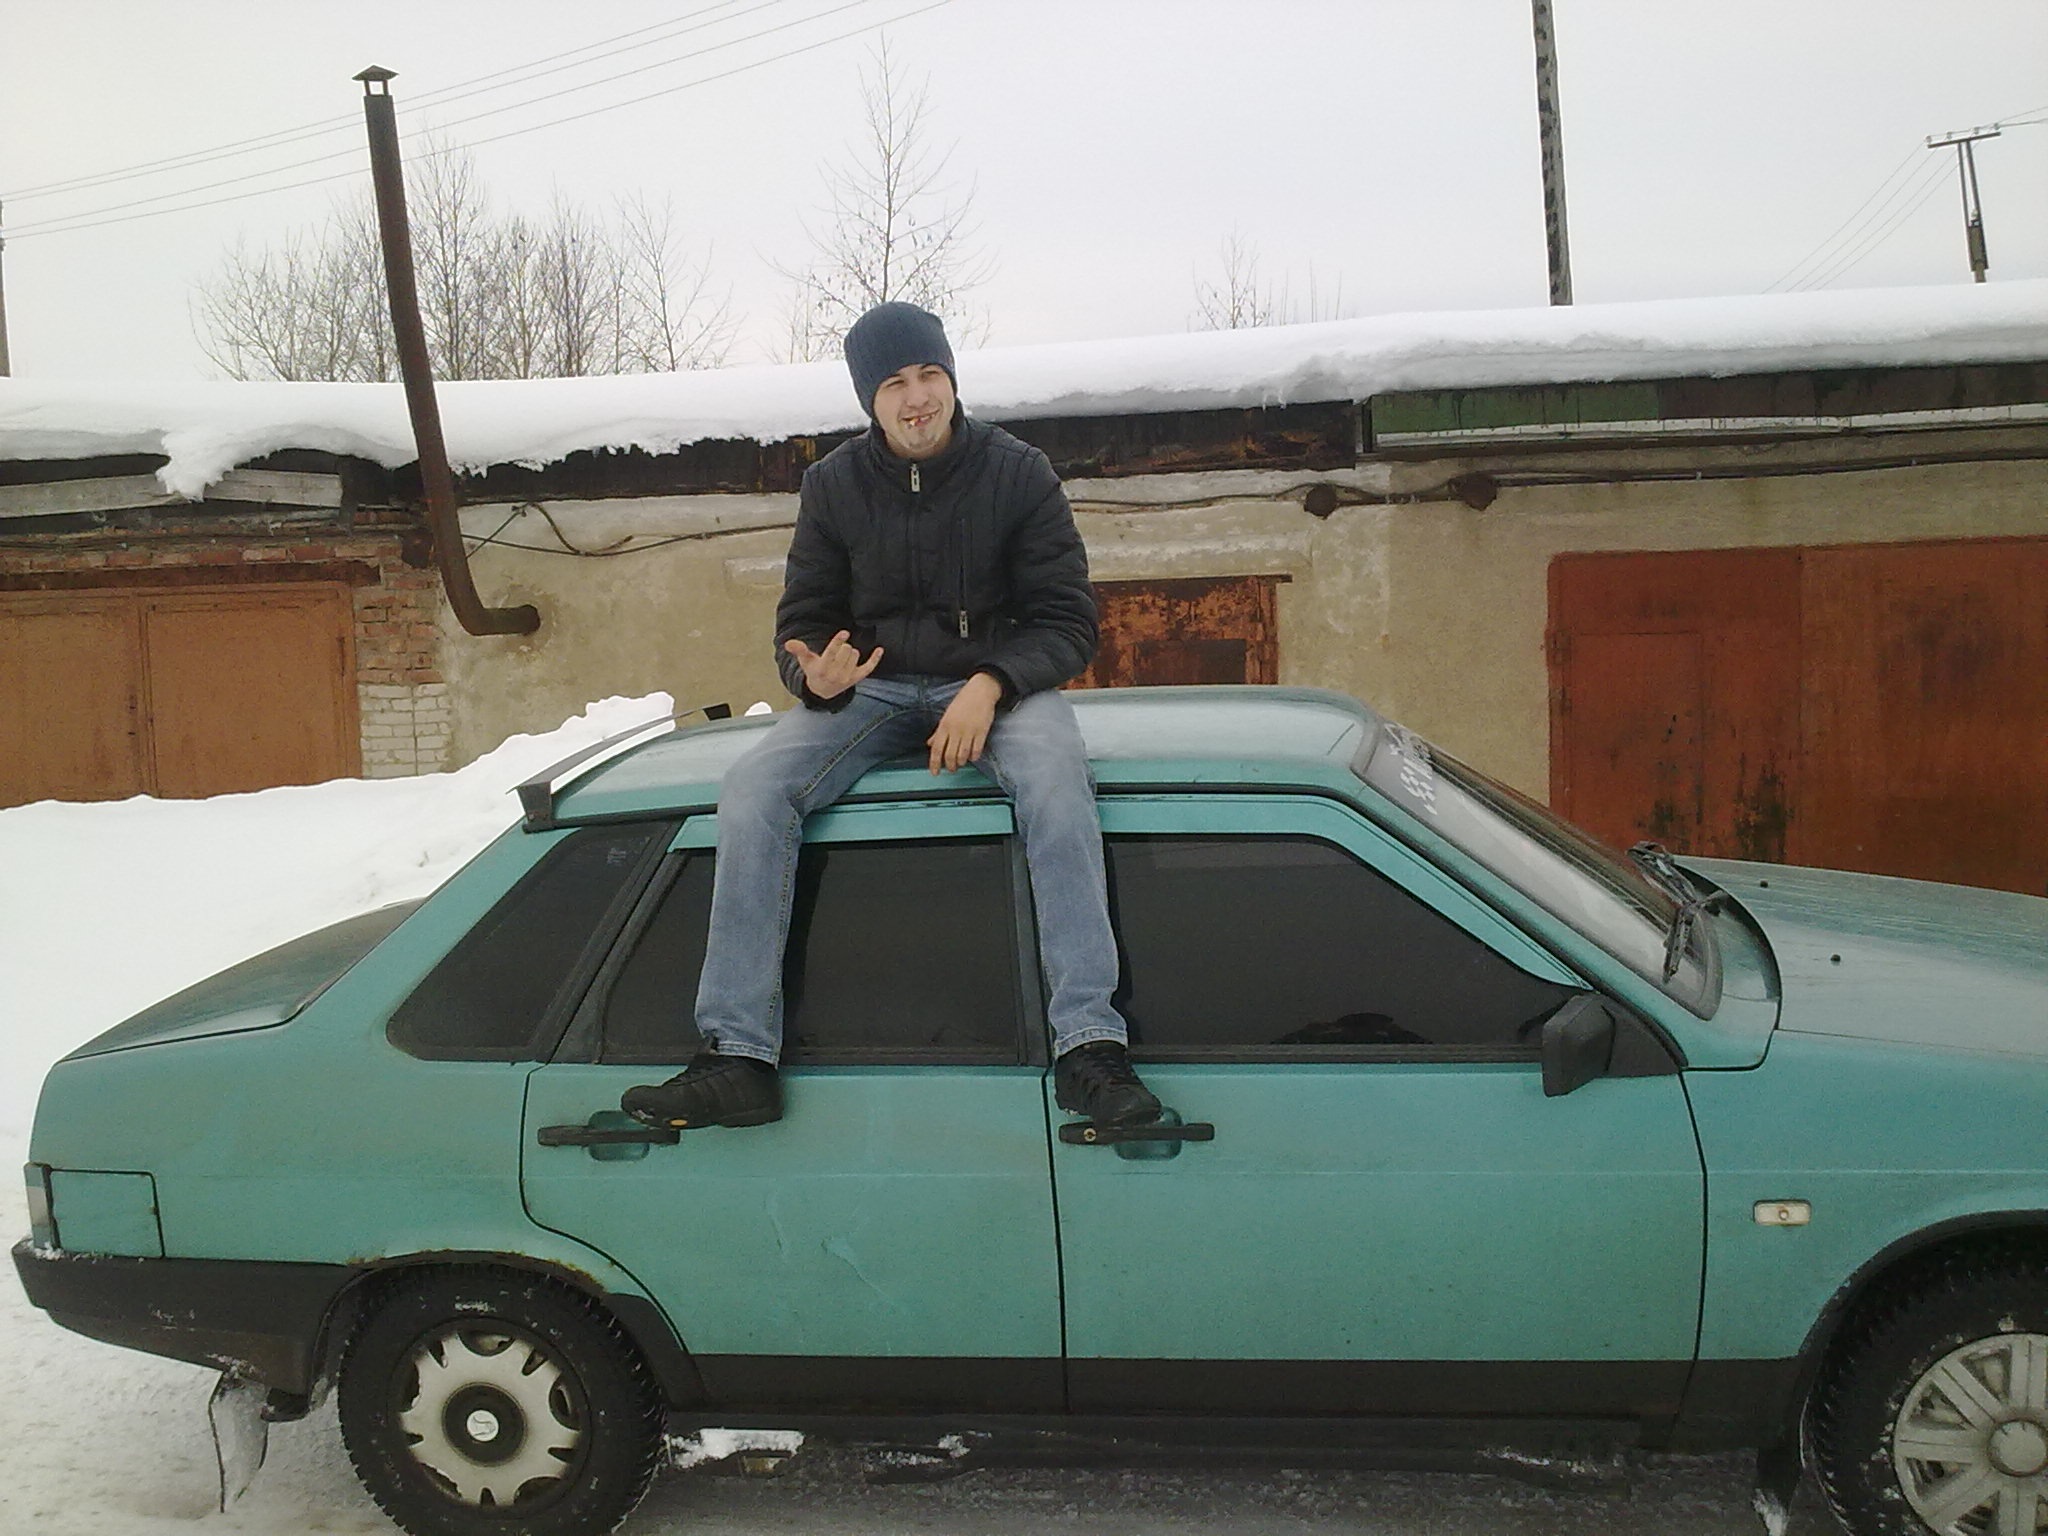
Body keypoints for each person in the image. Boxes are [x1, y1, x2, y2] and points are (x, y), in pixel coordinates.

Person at [622, 301, 1161, 1133]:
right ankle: (738, 1055)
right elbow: (803, 623)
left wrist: (991, 683)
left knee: (1058, 784)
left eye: (929, 375)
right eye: (895, 384)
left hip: (996, 689)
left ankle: (1089, 1043)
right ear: (869, 401)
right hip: (870, 693)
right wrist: (817, 676)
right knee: (754, 790)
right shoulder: (833, 484)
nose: (917, 398)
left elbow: (1067, 622)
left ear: (951, 378)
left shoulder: (1019, 473)